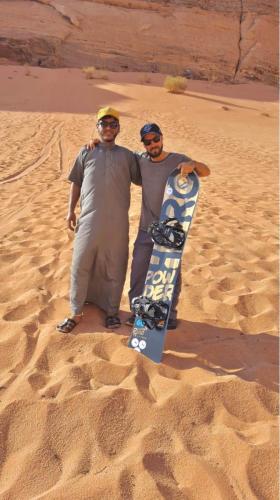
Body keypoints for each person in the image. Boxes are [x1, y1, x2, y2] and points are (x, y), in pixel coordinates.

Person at [88, 122, 210, 330]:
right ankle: (138, 310)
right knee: (138, 271)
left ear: (161, 138)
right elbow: (121, 157)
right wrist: (98, 143)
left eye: (155, 139)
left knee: (170, 272)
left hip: (171, 229)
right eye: (147, 141)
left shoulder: (178, 160)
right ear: (143, 144)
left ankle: (169, 315)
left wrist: (194, 165)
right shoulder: (141, 160)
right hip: (146, 227)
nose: (152, 144)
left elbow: (206, 171)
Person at [56, 107, 141, 333]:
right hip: (88, 220)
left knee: (115, 264)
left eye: (114, 124)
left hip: (117, 223)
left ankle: (112, 312)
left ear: (119, 129)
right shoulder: (86, 152)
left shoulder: (127, 156)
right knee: (80, 263)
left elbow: (146, 176)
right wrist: (70, 211)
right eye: (104, 124)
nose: (109, 128)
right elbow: (75, 181)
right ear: (98, 127)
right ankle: (75, 312)